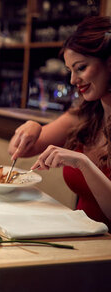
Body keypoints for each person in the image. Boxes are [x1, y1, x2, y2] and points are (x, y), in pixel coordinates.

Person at [8, 16, 111, 230]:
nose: (73, 80)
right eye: (70, 70)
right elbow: (17, 150)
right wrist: (33, 127)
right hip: (83, 239)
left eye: (81, 68)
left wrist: (83, 163)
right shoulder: (86, 114)